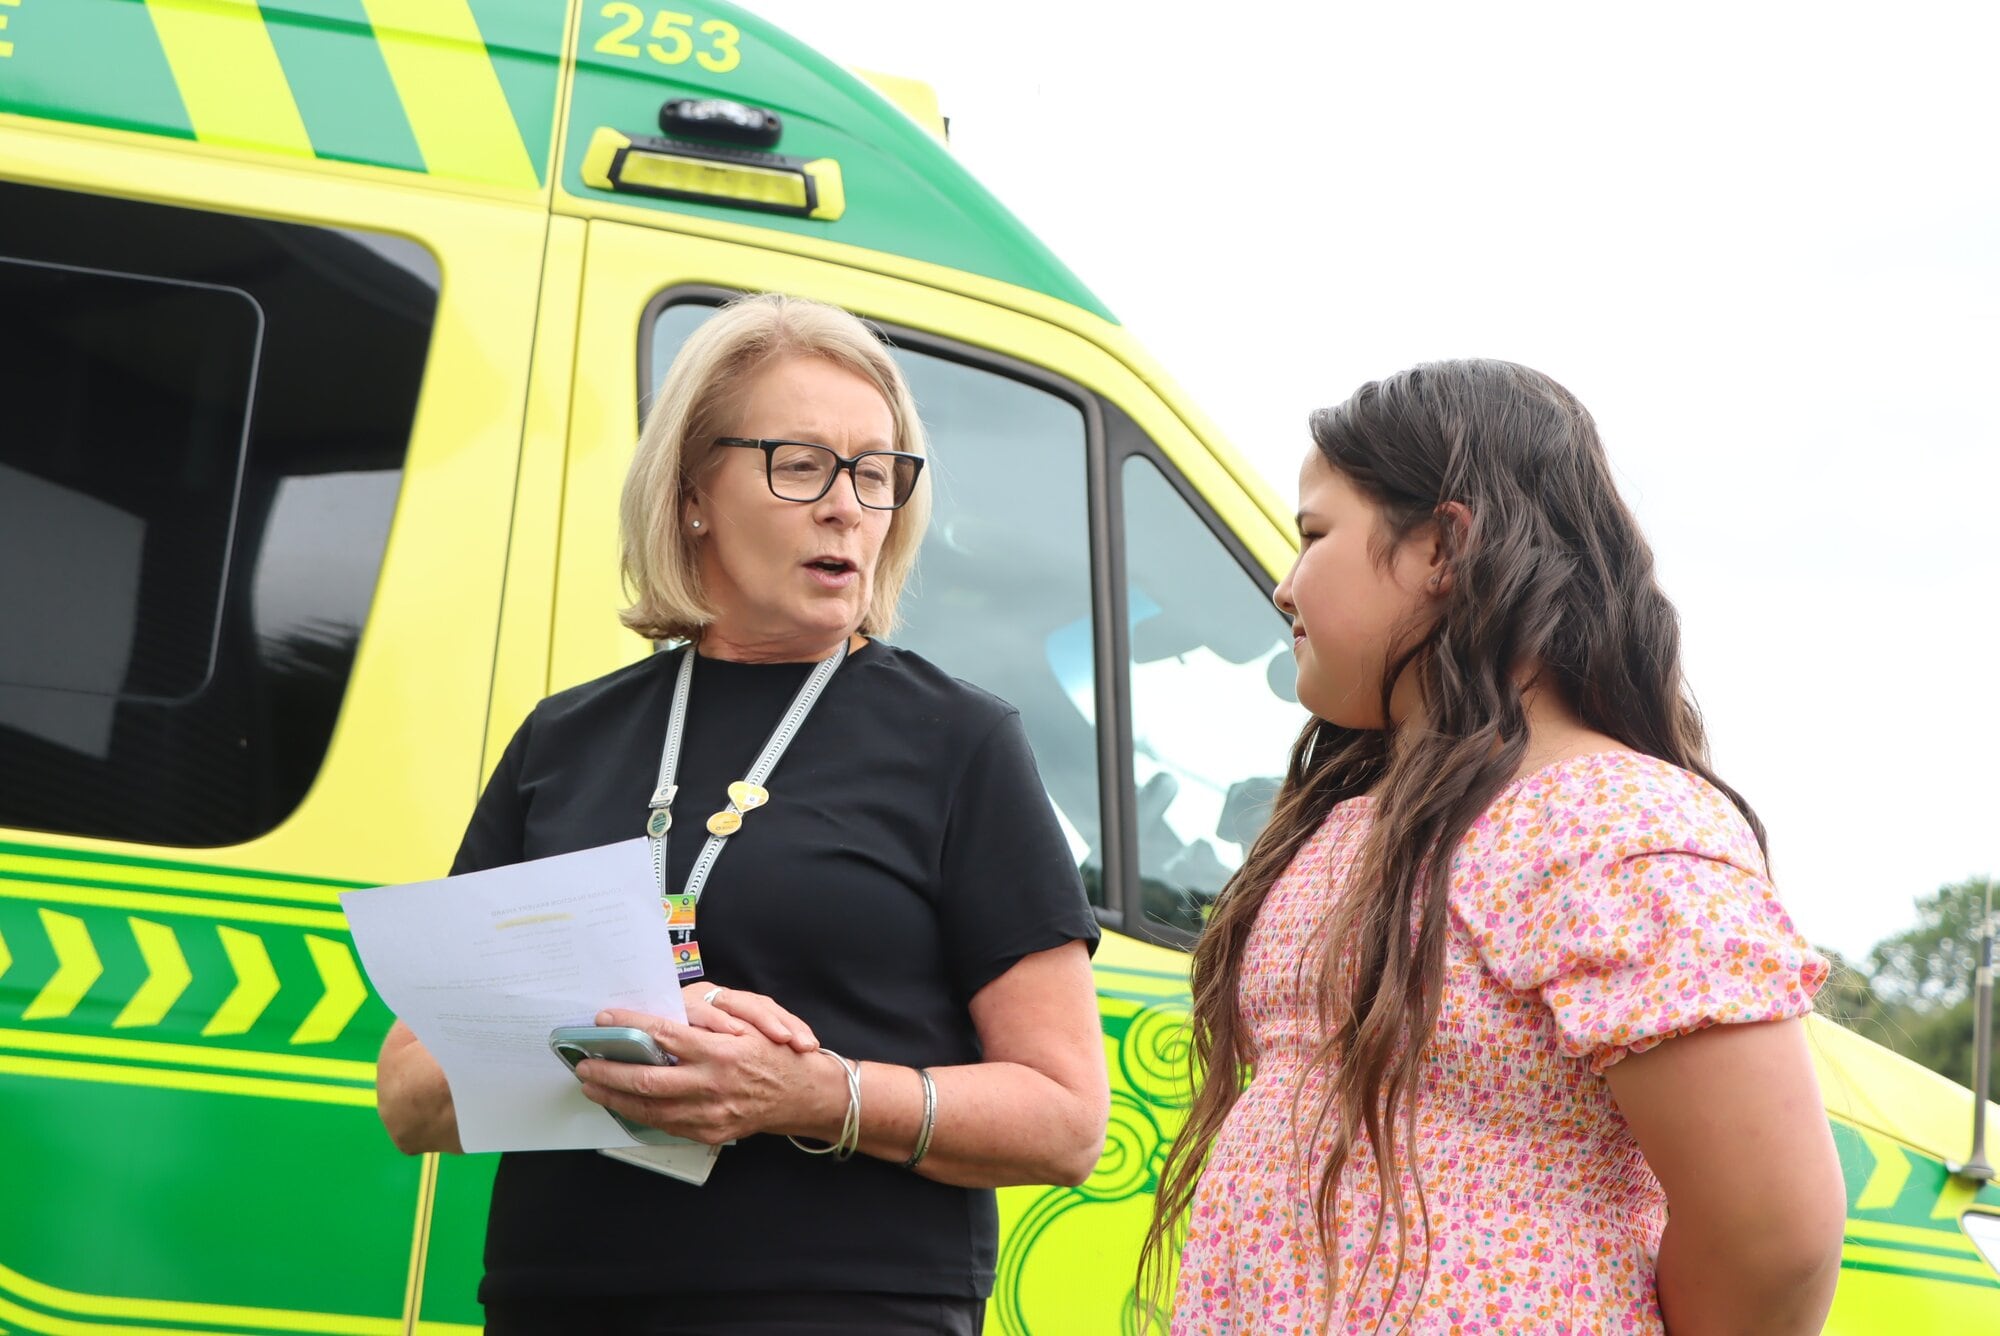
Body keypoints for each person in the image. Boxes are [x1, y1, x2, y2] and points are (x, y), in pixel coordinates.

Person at [376, 293, 1109, 1335]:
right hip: (567, 1302)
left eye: (874, 473)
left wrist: (808, 1094)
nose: (847, 507)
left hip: (842, 1307)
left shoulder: (960, 743)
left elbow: (1067, 1118)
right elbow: (409, 1092)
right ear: (690, 494)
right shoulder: (563, 741)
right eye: (800, 464)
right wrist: (606, 1045)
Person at [1141, 360, 1846, 1334]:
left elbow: (1771, 1235)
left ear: (1442, 545)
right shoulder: (1363, 812)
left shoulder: (1605, 820)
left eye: (1311, 535)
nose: (1281, 582)